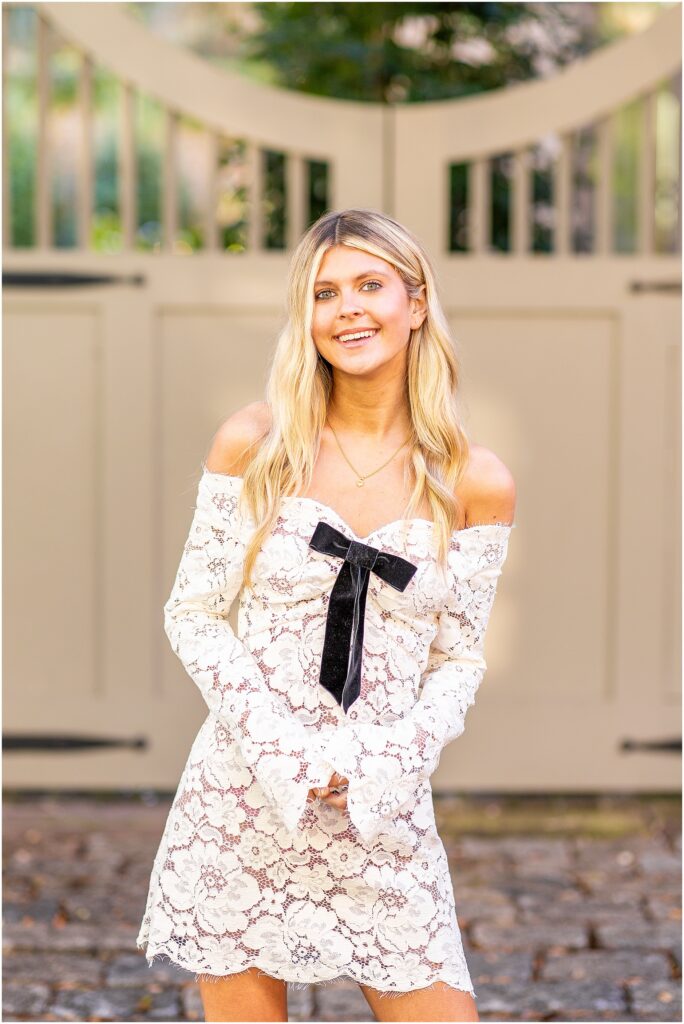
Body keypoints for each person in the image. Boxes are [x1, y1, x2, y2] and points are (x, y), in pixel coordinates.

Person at [136, 208, 516, 1023]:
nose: (348, 309)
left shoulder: (474, 480)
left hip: (381, 807)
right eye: (324, 292)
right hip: (245, 798)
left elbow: (460, 659)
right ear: (305, 318)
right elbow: (195, 613)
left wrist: (387, 764)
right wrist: (289, 754)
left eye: (370, 285)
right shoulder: (256, 444)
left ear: (415, 303)